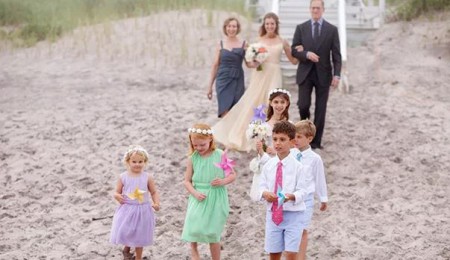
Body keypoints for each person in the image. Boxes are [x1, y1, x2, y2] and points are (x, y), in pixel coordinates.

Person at [212, 12, 300, 151]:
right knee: (254, 103)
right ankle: (253, 135)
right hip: (260, 74)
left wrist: (299, 51)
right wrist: (255, 61)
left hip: (274, 74)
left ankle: (273, 137)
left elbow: (293, 61)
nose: (270, 26)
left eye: (272, 24)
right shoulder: (258, 41)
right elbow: (251, 62)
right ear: (264, 25)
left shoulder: (282, 41)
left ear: (276, 25)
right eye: (267, 24)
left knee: (272, 103)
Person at [181, 123, 237, 260]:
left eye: (202, 145)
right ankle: (194, 252)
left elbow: (232, 175)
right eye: (195, 145)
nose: (198, 148)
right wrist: (194, 193)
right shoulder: (193, 158)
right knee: (192, 226)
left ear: (210, 140)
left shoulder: (220, 155)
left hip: (216, 196)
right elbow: (186, 181)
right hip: (198, 195)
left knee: (213, 232)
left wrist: (223, 181)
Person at [291, 0, 342, 149]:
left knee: (321, 109)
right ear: (309, 9)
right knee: (303, 105)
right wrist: (306, 54)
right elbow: (294, 50)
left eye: (318, 8)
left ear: (323, 10)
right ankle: (304, 132)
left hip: (324, 74)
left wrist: (337, 75)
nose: (315, 10)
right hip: (305, 73)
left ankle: (315, 142)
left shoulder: (332, 30)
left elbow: (337, 55)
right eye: (313, 8)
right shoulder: (301, 28)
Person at [258, 121, 308, 260]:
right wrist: (265, 193)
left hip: (294, 215)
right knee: (273, 253)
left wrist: (291, 196)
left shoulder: (299, 167)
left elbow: (303, 191)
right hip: (273, 214)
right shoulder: (268, 165)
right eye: (275, 139)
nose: (278, 143)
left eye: (282, 139)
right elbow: (260, 187)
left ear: (292, 142)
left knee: (291, 253)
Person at [110, 145, 160, 260]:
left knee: (139, 234)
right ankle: (126, 248)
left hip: (143, 209)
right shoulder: (123, 177)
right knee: (128, 230)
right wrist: (117, 196)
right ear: (128, 162)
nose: (137, 164)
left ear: (145, 162)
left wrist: (156, 203)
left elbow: (153, 192)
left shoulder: (148, 177)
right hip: (127, 208)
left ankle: (138, 257)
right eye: (134, 161)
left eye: (140, 161)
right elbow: (116, 192)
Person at [290, 120, 328, 260]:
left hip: (307, 200)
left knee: (302, 230)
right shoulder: (290, 154)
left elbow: (319, 179)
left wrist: (323, 198)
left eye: (299, 137)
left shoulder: (315, 159)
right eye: (294, 136)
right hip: (291, 198)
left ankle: (301, 257)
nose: (295, 139)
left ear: (310, 139)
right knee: (291, 230)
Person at [207, 17, 255, 118]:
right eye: (229, 26)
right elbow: (215, 65)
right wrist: (210, 87)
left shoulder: (244, 44)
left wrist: (259, 61)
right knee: (224, 110)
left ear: (238, 28)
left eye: (234, 26)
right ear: (225, 28)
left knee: (236, 111)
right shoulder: (220, 43)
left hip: (237, 79)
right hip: (222, 80)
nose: (231, 29)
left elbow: (249, 64)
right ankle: (226, 133)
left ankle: (233, 133)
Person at [249, 88, 292, 201]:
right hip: (267, 160)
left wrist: (276, 150)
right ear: (271, 103)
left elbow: (292, 146)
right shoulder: (263, 125)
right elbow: (259, 147)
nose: (279, 105)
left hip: (283, 161)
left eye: (282, 102)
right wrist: (261, 150)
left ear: (287, 104)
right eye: (276, 102)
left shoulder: (290, 125)